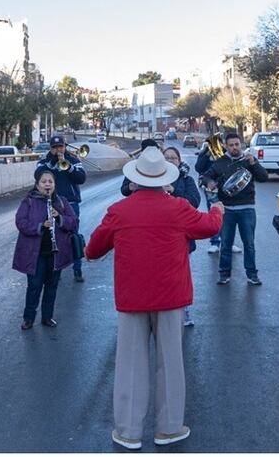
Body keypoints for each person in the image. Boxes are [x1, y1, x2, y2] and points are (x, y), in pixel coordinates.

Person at [86, 148, 224, 450]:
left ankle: (128, 431)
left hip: (132, 298)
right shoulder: (177, 207)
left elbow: (93, 250)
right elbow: (210, 227)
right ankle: (169, 428)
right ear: (164, 179)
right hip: (171, 296)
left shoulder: (119, 211)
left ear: (135, 181)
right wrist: (217, 210)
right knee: (170, 364)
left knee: (130, 365)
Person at [13, 170, 79, 330]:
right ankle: (28, 318)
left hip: (55, 253)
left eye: (50, 182)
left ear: (55, 185)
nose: (47, 184)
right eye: (44, 182)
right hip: (34, 253)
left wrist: (59, 218)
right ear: (37, 185)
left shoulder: (61, 202)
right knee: (34, 286)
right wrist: (40, 226)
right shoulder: (28, 201)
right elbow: (20, 222)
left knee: (52, 286)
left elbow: (74, 222)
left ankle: (47, 317)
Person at [201, 132, 268, 285]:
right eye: (231, 145)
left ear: (241, 144)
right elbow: (205, 176)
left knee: (249, 244)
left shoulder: (248, 160)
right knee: (225, 243)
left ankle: (252, 274)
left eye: (237, 144)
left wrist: (254, 163)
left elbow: (264, 177)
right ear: (226, 146)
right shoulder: (220, 162)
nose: (235, 148)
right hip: (227, 209)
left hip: (247, 208)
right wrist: (209, 182)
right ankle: (224, 274)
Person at [35, 134, 88, 282]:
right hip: (50, 203)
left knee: (73, 237)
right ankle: (55, 269)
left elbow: (81, 178)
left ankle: (77, 269)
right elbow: (38, 176)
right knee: (53, 238)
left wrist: (68, 166)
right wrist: (52, 163)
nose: (58, 149)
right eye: (55, 147)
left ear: (65, 147)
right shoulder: (43, 162)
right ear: (50, 148)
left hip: (70, 203)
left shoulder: (74, 161)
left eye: (61, 146)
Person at [163, 147, 201, 326]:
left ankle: (184, 311)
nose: (170, 161)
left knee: (180, 276)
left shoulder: (186, 179)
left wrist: (174, 191)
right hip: (160, 237)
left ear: (179, 161)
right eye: (167, 158)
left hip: (182, 237)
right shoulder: (153, 180)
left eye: (173, 158)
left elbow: (194, 202)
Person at [194, 139, 224, 253]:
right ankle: (215, 242)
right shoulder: (204, 155)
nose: (216, 146)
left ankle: (228, 242)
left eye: (218, 143)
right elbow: (198, 168)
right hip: (211, 189)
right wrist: (206, 154)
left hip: (224, 188)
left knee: (228, 217)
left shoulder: (225, 154)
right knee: (214, 215)